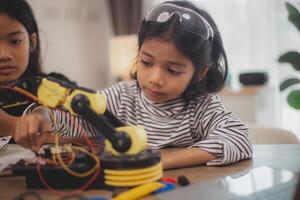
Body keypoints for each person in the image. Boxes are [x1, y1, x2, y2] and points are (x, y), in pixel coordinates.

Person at [11, 0, 253, 169]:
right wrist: (43, 115)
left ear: (199, 73)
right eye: (147, 63)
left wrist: (162, 160)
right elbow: (77, 121)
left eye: (173, 70)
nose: (155, 78)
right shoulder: (122, 96)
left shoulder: (202, 107)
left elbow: (238, 138)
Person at [0, 0, 83, 151]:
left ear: (32, 42)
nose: (3, 55)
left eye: (15, 41)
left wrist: (47, 114)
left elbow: (97, 129)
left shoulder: (57, 85)